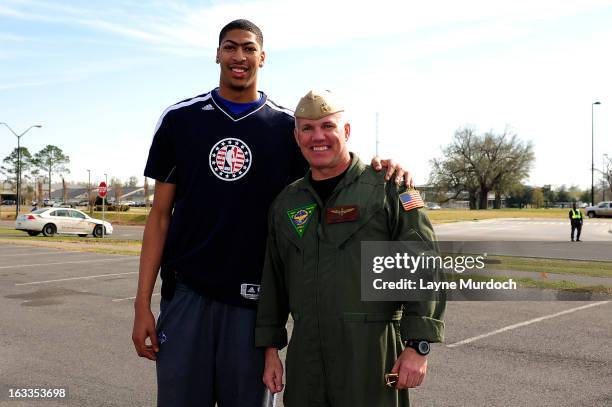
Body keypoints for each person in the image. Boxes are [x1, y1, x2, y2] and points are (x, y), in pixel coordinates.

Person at [131, 20, 413, 407]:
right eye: (230, 48)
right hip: (188, 296)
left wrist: (384, 168)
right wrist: (141, 303)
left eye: (249, 49)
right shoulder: (181, 120)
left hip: (253, 305)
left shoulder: (286, 128)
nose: (239, 57)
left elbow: (333, 167)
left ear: (262, 57)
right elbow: (159, 216)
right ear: (217, 54)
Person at [256, 90, 445, 407]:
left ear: (346, 131)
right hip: (307, 361)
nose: (318, 136)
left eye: (328, 126)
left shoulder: (389, 187)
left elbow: (422, 265)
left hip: (373, 357)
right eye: (307, 128)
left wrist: (418, 346)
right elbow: (273, 281)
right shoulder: (287, 203)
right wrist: (270, 350)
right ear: (297, 136)